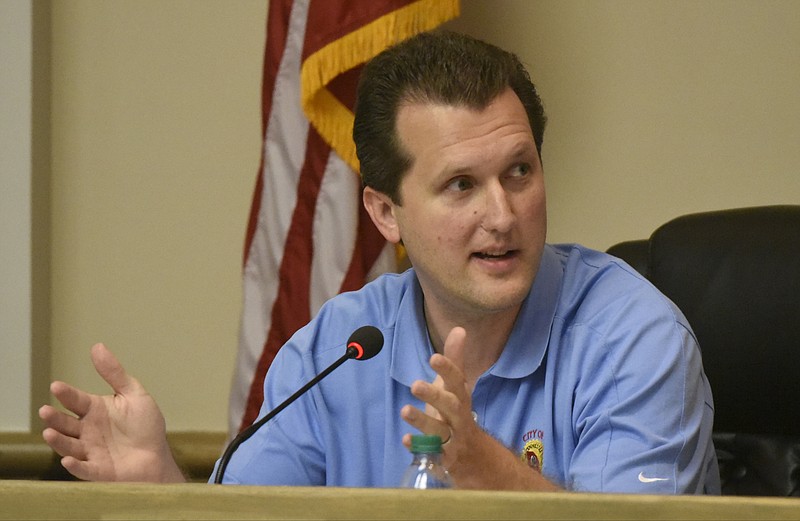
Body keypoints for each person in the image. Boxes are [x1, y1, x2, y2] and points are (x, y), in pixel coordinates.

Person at [39, 30, 720, 493]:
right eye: (461, 185)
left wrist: (478, 463)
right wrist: (162, 484)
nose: (503, 214)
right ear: (384, 212)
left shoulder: (635, 339)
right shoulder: (337, 351)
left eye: (519, 171)